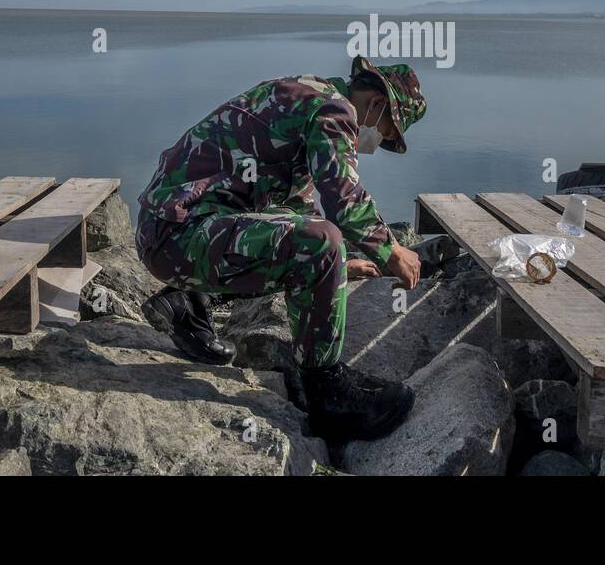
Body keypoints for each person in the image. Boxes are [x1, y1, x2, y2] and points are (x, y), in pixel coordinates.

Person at [134, 56, 426, 440]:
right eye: (388, 132)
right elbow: (343, 198)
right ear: (376, 105)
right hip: (180, 235)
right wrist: (392, 251)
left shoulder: (306, 97)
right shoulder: (333, 109)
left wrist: (337, 266)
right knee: (322, 243)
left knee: (322, 248)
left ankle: (188, 302)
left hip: (173, 232)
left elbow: (297, 207)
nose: (379, 143)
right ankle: (328, 394)